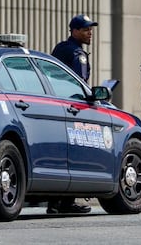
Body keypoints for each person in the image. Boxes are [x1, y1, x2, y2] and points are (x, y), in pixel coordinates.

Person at [47, 14, 98, 214]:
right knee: (74, 153)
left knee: (60, 153)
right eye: (86, 29)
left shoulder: (60, 48)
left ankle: (56, 203)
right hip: (73, 108)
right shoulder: (78, 54)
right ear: (74, 31)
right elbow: (80, 85)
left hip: (54, 105)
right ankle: (65, 203)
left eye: (91, 29)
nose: (90, 33)